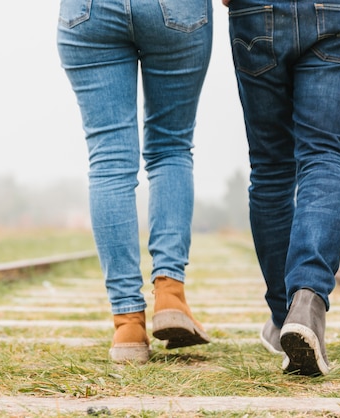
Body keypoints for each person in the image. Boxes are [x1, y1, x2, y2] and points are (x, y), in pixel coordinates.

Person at [223, 0, 340, 375]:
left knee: (270, 166)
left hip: (257, 11)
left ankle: (286, 315)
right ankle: (307, 301)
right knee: (324, 154)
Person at [57, 0, 213, 364]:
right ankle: (170, 294)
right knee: (171, 146)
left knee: (109, 159)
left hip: (88, 11)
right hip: (176, 10)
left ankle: (128, 325)